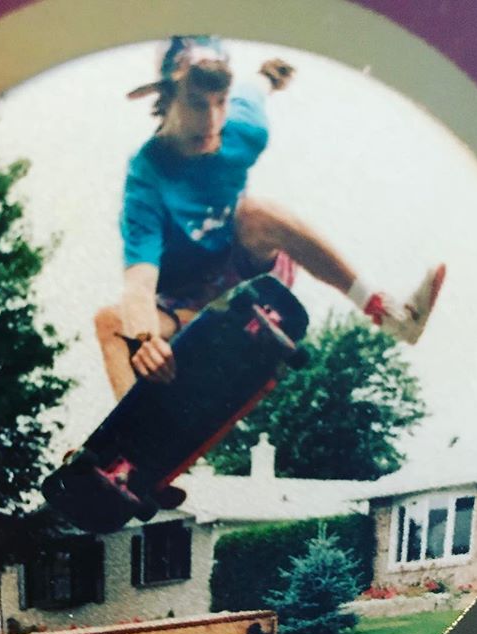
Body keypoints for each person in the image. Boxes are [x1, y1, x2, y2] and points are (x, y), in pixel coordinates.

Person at [95, 35, 445, 401]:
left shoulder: (244, 127)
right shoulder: (147, 176)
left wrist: (270, 75)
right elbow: (139, 280)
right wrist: (146, 338)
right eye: (197, 104)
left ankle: (389, 314)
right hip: (184, 304)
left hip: (246, 273)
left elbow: (254, 88)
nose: (212, 121)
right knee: (111, 324)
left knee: (257, 214)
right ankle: (130, 443)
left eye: (221, 103)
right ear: (166, 98)